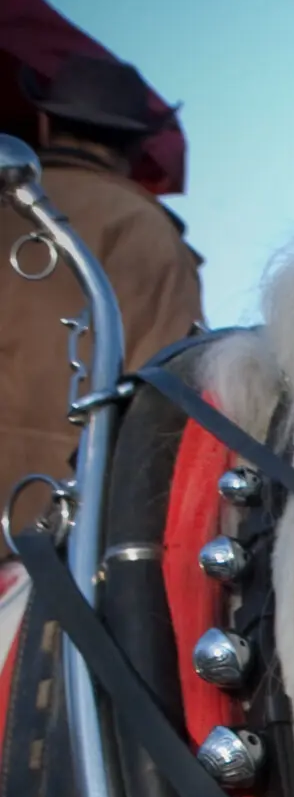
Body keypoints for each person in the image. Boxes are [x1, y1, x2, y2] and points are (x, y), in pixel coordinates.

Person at [0, 52, 200, 492]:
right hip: (54, 520)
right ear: (135, 146)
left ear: (46, 123)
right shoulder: (145, 231)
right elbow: (164, 403)